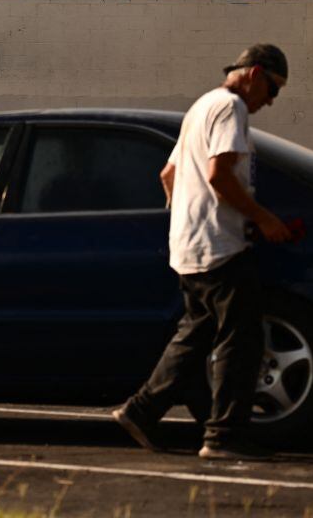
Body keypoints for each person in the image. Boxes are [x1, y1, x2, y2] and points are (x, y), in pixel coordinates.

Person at [112, 44, 292, 461]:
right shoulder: (231, 107)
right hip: (221, 246)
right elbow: (220, 176)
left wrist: (185, 220)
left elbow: (169, 173)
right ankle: (223, 437)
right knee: (241, 339)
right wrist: (262, 218)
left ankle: (140, 411)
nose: (271, 100)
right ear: (254, 74)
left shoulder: (201, 107)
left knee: (196, 334)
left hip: (189, 246)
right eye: (274, 89)